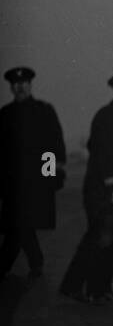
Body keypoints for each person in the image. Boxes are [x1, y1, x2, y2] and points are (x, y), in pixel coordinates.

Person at [59, 68, 113, 304]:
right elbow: (106, 155)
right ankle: (75, 286)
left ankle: (100, 289)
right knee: (99, 239)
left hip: (104, 191)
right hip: (102, 193)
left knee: (109, 241)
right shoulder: (110, 116)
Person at [0, 67, 66, 279]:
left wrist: (50, 177)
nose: (20, 87)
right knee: (19, 224)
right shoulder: (5, 114)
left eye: (24, 83)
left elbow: (53, 146)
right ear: (11, 87)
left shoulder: (44, 111)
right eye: (16, 84)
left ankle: (8, 263)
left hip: (35, 181)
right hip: (11, 183)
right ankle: (35, 262)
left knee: (19, 224)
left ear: (30, 85)